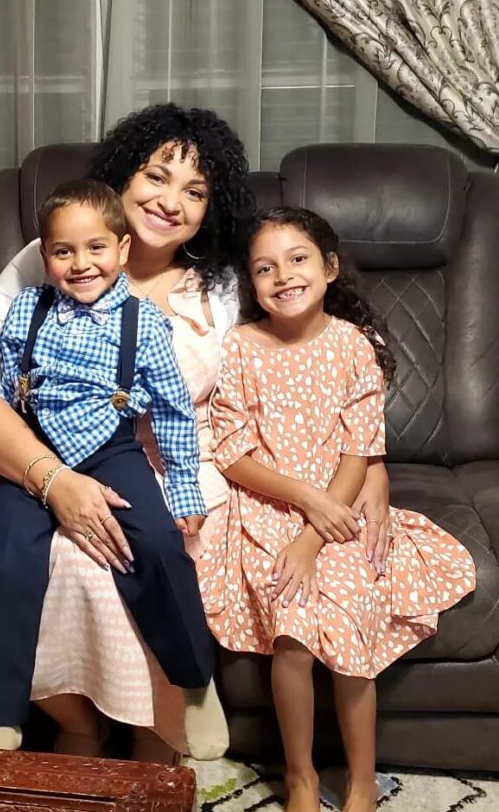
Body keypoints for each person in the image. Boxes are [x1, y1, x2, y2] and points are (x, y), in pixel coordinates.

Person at [0, 103, 392, 762]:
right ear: (121, 175)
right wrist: (23, 463)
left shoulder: (224, 284)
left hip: (179, 460)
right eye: (155, 175)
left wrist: (371, 465)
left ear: (212, 207)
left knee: (136, 547)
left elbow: (313, 343)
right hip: (38, 452)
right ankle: (65, 718)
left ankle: (159, 727)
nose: (170, 200)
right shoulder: (49, 255)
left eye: (194, 191)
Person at [196, 207, 476, 812]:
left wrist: (318, 530)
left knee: (349, 619)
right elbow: (232, 452)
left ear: (329, 268)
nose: (283, 276)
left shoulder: (353, 346)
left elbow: (359, 449)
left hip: (341, 506)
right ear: (252, 282)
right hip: (270, 507)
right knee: (292, 634)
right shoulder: (242, 346)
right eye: (264, 267)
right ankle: (299, 776)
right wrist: (304, 505)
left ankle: (361, 780)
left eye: (298, 260)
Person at [0, 179, 214, 752]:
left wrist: (182, 491)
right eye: (63, 251)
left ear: (122, 250)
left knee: (154, 543)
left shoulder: (145, 322)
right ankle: (0, 714)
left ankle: (196, 682)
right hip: (38, 451)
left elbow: (175, 411)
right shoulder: (28, 308)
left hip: (113, 448)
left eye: (96, 248)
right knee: (4, 554)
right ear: (44, 256)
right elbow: (3, 392)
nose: (81, 264)